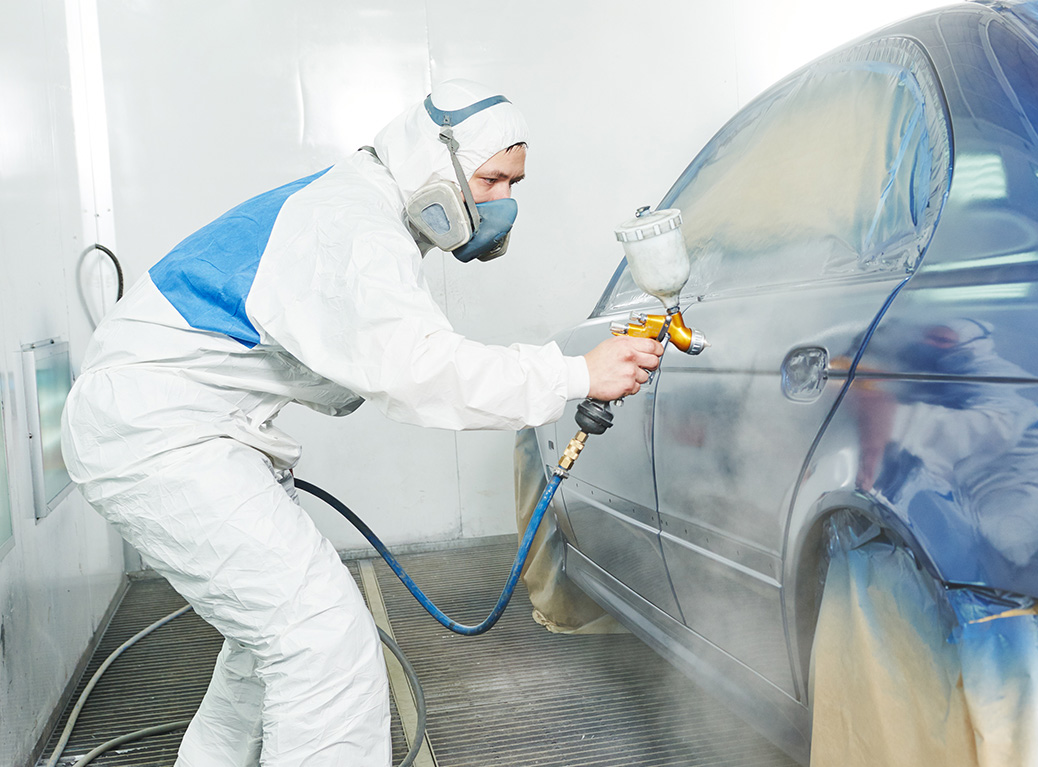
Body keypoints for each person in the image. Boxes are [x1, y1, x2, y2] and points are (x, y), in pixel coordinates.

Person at [61, 80, 660, 766]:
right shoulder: (351, 223)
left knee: (269, 641)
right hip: (158, 432)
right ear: (434, 162)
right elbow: (419, 368)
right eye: (491, 178)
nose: (502, 202)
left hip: (179, 426)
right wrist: (576, 374)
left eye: (513, 184)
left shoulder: (360, 209)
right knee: (320, 636)